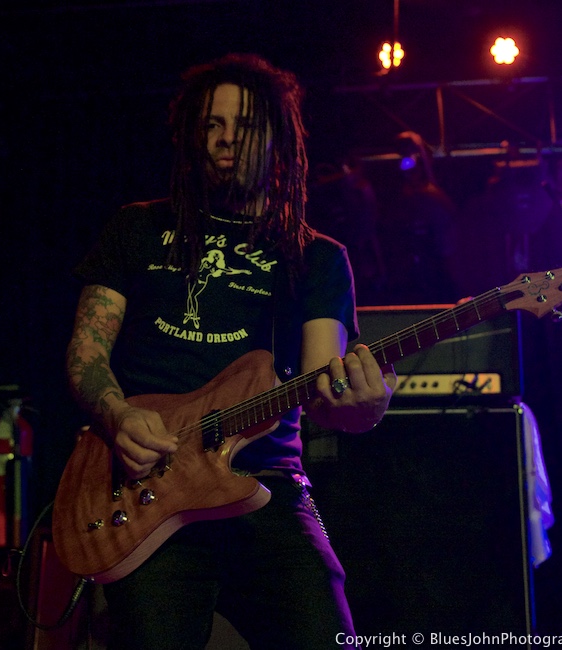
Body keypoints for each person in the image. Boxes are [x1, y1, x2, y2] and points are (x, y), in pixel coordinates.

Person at [65, 52, 396, 650]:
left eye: (244, 126)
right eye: (212, 124)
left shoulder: (317, 258)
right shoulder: (136, 229)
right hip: (147, 490)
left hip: (267, 485)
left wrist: (364, 407)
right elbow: (86, 355)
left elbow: (326, 393)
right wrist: (118, 415)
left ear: (277, 138)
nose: (225, 139)